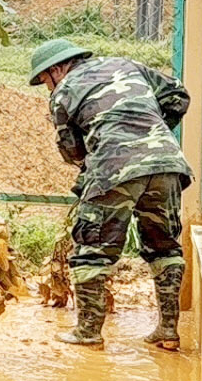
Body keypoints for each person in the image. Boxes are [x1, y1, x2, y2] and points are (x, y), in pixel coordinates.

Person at [29, 38, 191, 349]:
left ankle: (88, 332)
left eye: (45, 81)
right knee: (165, 247)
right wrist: (152, 131)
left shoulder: (63, 92)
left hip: (113, 168)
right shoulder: (125, 64)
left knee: (92, 250)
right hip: (167, 163)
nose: (47, 88)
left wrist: (94, 159)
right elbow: (178, 96)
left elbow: (72, 149)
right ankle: (168, 330)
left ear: (57, 69)